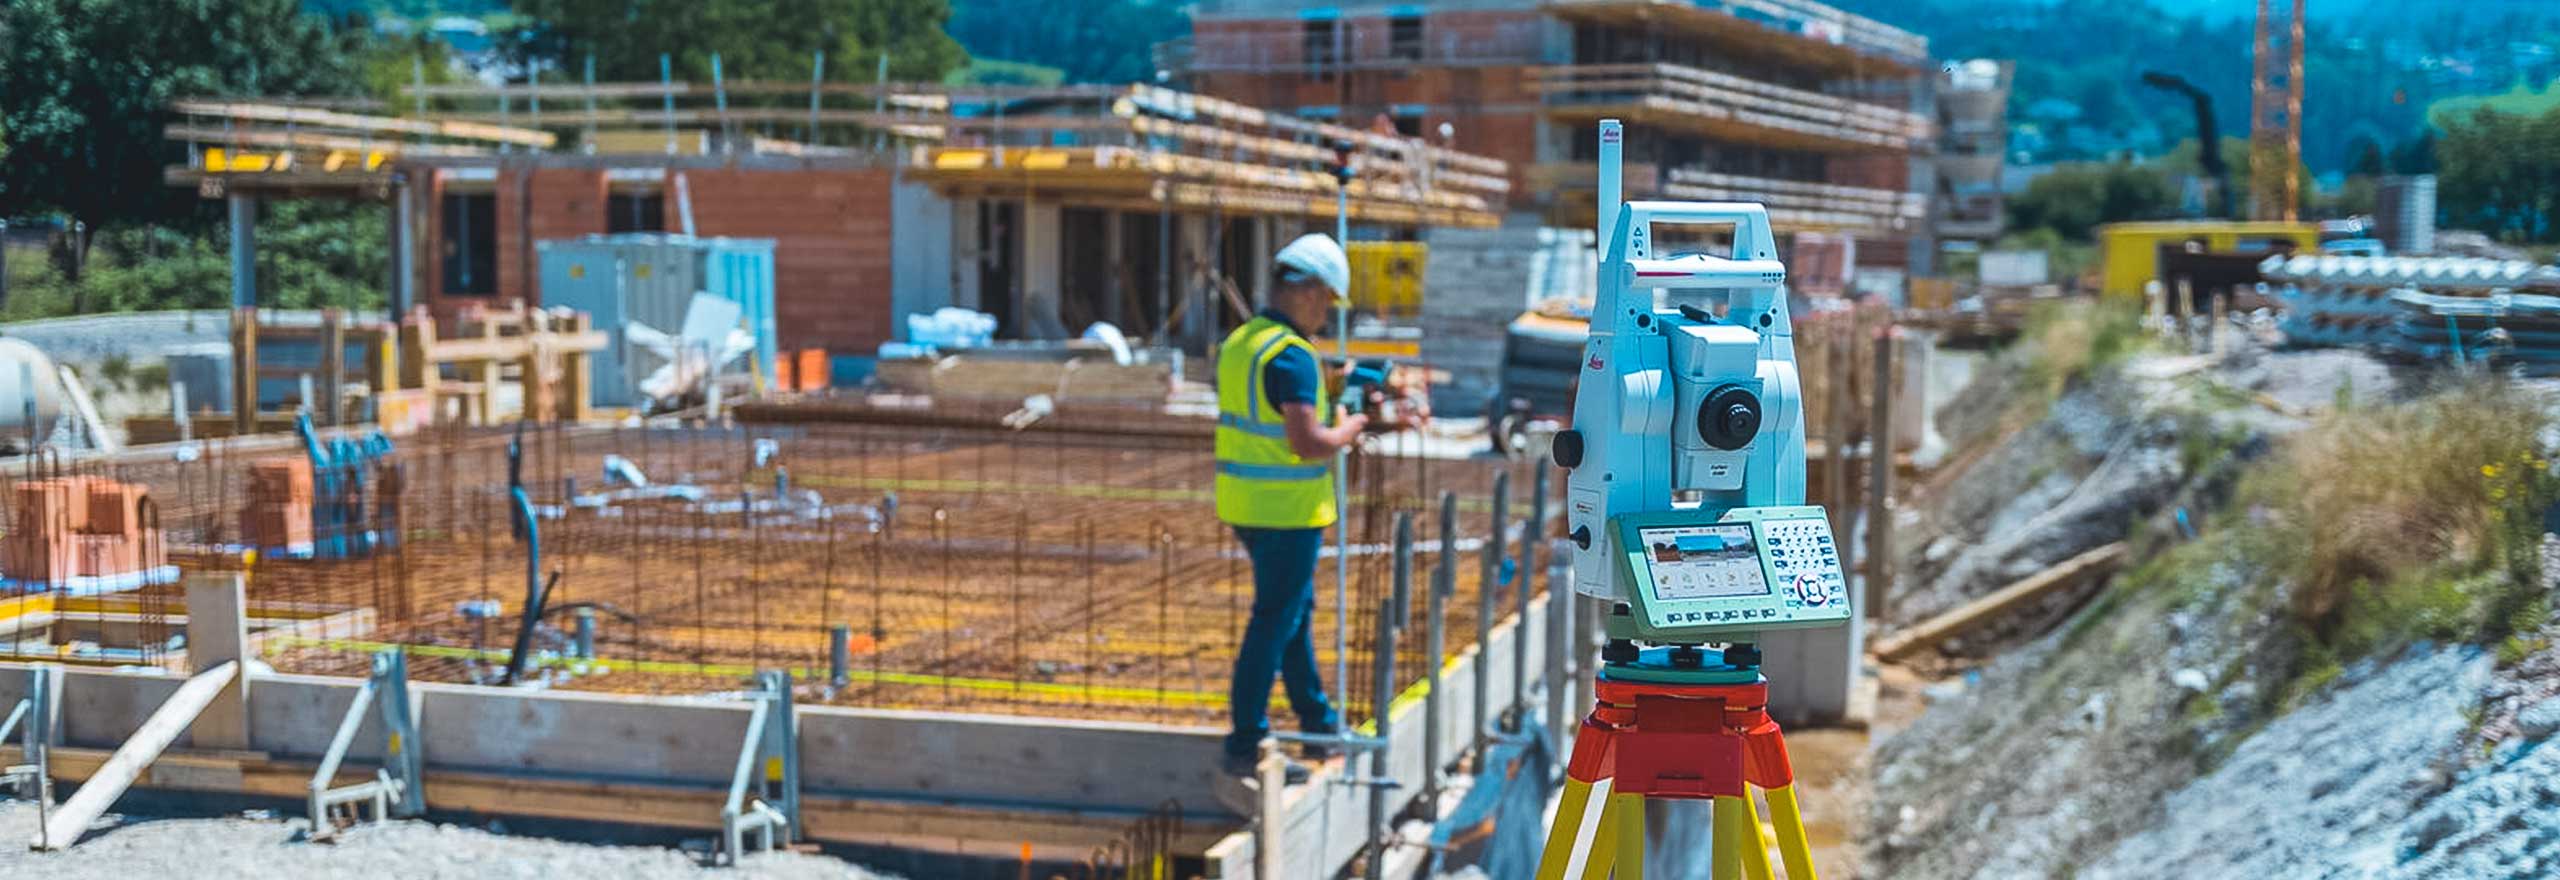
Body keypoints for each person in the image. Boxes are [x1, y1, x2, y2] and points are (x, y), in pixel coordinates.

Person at [1214, 232, 1420, 782]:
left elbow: (1270, 407)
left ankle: (1318, 723)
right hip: (1288, 510)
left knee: (1293, 615)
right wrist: (1351, 425)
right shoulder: (1293, 356)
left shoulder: (1244, 342)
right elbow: (1308, 441)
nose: (1327, 312)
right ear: (1306, 290)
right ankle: (1245, 740)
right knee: (1274, 620)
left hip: (1246, 504)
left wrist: (1336, 391)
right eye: (1327, 299)